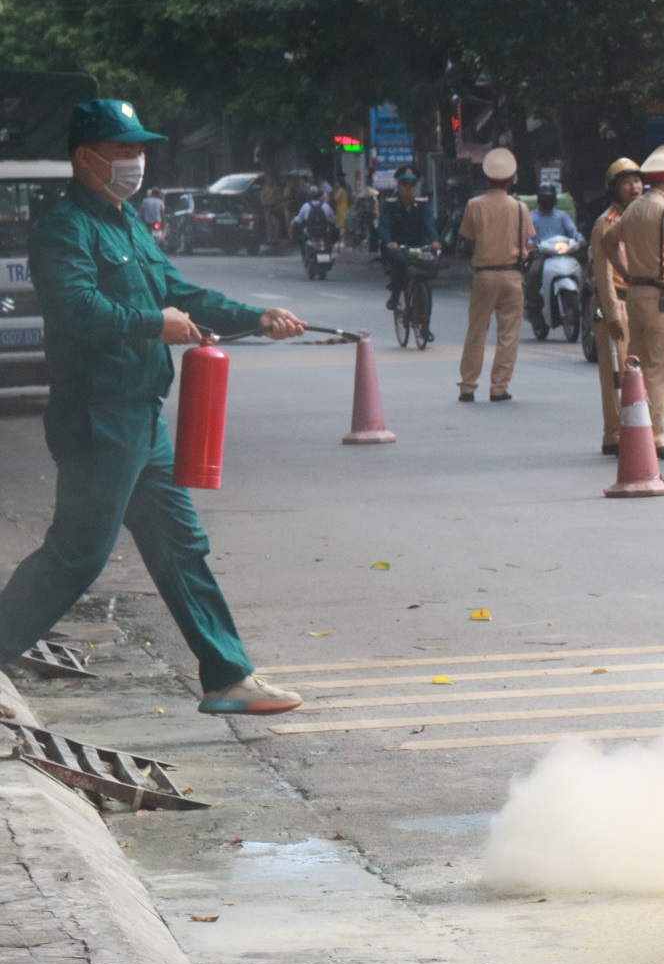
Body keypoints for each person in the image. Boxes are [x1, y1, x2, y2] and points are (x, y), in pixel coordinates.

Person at [0, 100, 309, 715]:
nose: (136, 161)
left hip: (141, 416)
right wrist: (153, 324)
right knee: (77, 553)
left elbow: (177, 291)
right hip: (98, 418)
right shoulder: (65, 228)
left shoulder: (128, 223)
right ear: (85, 157)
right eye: (123, 150)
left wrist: (256, 317)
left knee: (179, 545)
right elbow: (76, 309)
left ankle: (227, 677)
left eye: (139, 150)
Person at [603, 144, 664, 458]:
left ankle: (633, 433)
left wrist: (627, 271)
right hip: (659, 297)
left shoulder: (635, 208)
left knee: (637, 366)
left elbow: (608, 241)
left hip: (635, 295)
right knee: (660, 369)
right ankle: (655, 437)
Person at [457, 147, 532, 401]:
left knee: (476, 331)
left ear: (487, 177)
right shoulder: (520, 207)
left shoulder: (474, 205)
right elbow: (528, 240)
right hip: (512, 276)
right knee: (508, 334)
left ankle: (468, 385)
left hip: (484, 276)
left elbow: (467, 237)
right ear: (511, 179)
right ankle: (499, 387)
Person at [590, 158, 641, 454]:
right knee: (615, 374)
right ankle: (614, 435)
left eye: (636, 181)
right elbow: (604, 274)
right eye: (626, 183)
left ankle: (636, 432)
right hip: (615, 304)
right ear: (614, 189)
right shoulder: (605, 224)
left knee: (636, 373)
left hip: (636, 302)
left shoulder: (638, 219)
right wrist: (611, 315)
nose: (634, 188)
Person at [378, 167, 440, 316]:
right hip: (397, 246)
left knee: (430, 261)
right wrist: (389, 242)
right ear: (399, 186)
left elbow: (429, 224)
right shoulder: (390, 205)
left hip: (418, 245)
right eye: (405, 185)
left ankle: (423, 316)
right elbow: (384, 226)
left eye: (412, 185)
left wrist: (435, 240)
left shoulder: (423, 204)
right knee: (400, 263)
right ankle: (395, 295)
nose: (408, 188)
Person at [524, 181, 581, 327]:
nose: (547, 201)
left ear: (554, 200)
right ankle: (532, 307)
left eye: (550, 198)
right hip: (541, 254)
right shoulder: (532, 217)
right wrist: (530, 245)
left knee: (582, 270)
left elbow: (573, 232)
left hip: (562, 252)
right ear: (539, 200)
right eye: (544, 198)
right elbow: (529, 237)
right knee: (534, 273)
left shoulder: (562, 216)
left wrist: (580, 240)